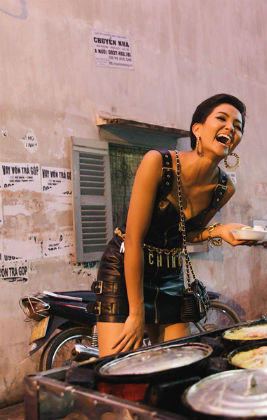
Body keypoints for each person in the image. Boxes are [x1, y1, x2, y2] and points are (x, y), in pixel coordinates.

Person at [92, 93, 251, 357]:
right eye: (222, 119)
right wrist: (136, 313)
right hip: (125, 267)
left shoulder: (224, 187)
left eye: (238, 126)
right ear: (197, 129)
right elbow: (133, 239)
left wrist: (219, 231)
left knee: (177, 363)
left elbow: (187, 232)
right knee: (118, 369)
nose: (230, 128)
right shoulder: (158, 163)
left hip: (170, 273)